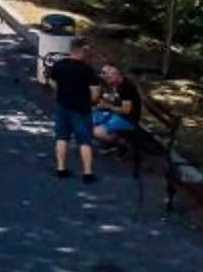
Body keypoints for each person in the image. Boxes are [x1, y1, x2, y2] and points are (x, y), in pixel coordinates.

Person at [48, 40, 102, 181]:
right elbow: (95, 92)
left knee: (61, 138)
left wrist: (62, 91)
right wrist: (92, 101)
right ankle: (87, 173)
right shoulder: (87, 70)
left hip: (62, 106)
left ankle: (61, 168)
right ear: (81, 51)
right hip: (81, 109)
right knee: (84, 141)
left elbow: (52, 81)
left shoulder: (59, 65)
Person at [92, 62, 143, 153]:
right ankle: (110, 141)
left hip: (129, 119)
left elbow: (126, 110)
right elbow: (116, 100)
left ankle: (123, 144)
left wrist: (107, 106)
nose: (106, 77)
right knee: (92, 118)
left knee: (97, 132)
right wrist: (106, 102)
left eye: (108, 75)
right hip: (118, 114)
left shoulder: (126, 88)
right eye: (104, 74)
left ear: (117, 74)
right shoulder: (116, 84)